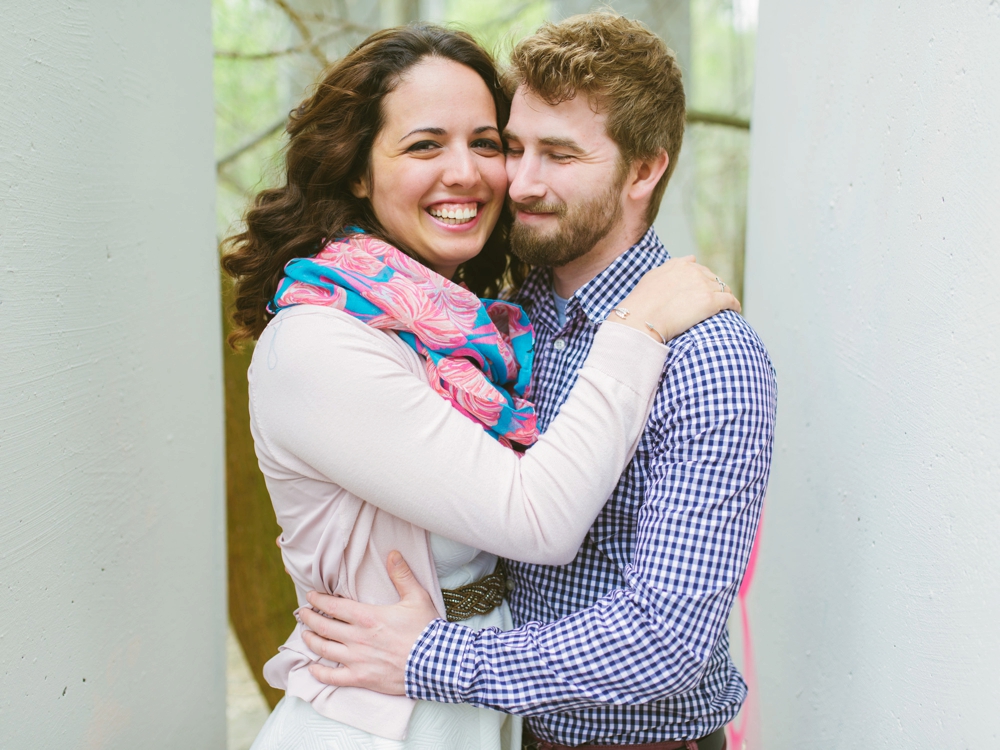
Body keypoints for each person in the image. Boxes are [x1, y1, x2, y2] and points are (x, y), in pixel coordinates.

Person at [221, 23, 739, 750]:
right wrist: (635, 330)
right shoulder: (321, 339)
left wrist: (441, 658)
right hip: (383, 724)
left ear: (643, 170)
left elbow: (667, 638)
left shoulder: (485, 334)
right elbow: (535, 518)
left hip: (483, 719)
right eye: (424, 144)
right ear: (359, 171)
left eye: (488, 143)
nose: (483, 175)